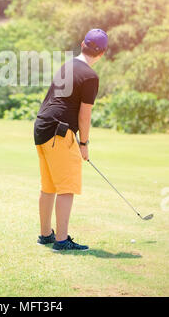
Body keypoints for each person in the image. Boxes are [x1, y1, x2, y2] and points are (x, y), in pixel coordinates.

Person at [34, 29, 108, 252]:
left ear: (82, 43)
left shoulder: (67, 65)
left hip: (42, 127)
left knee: (49, 185)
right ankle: (61, 240)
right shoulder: (90, 76)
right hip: (59, 131)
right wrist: (83, 144)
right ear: (102, 53)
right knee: (66, 187)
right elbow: (84, 115)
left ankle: (46, 234)